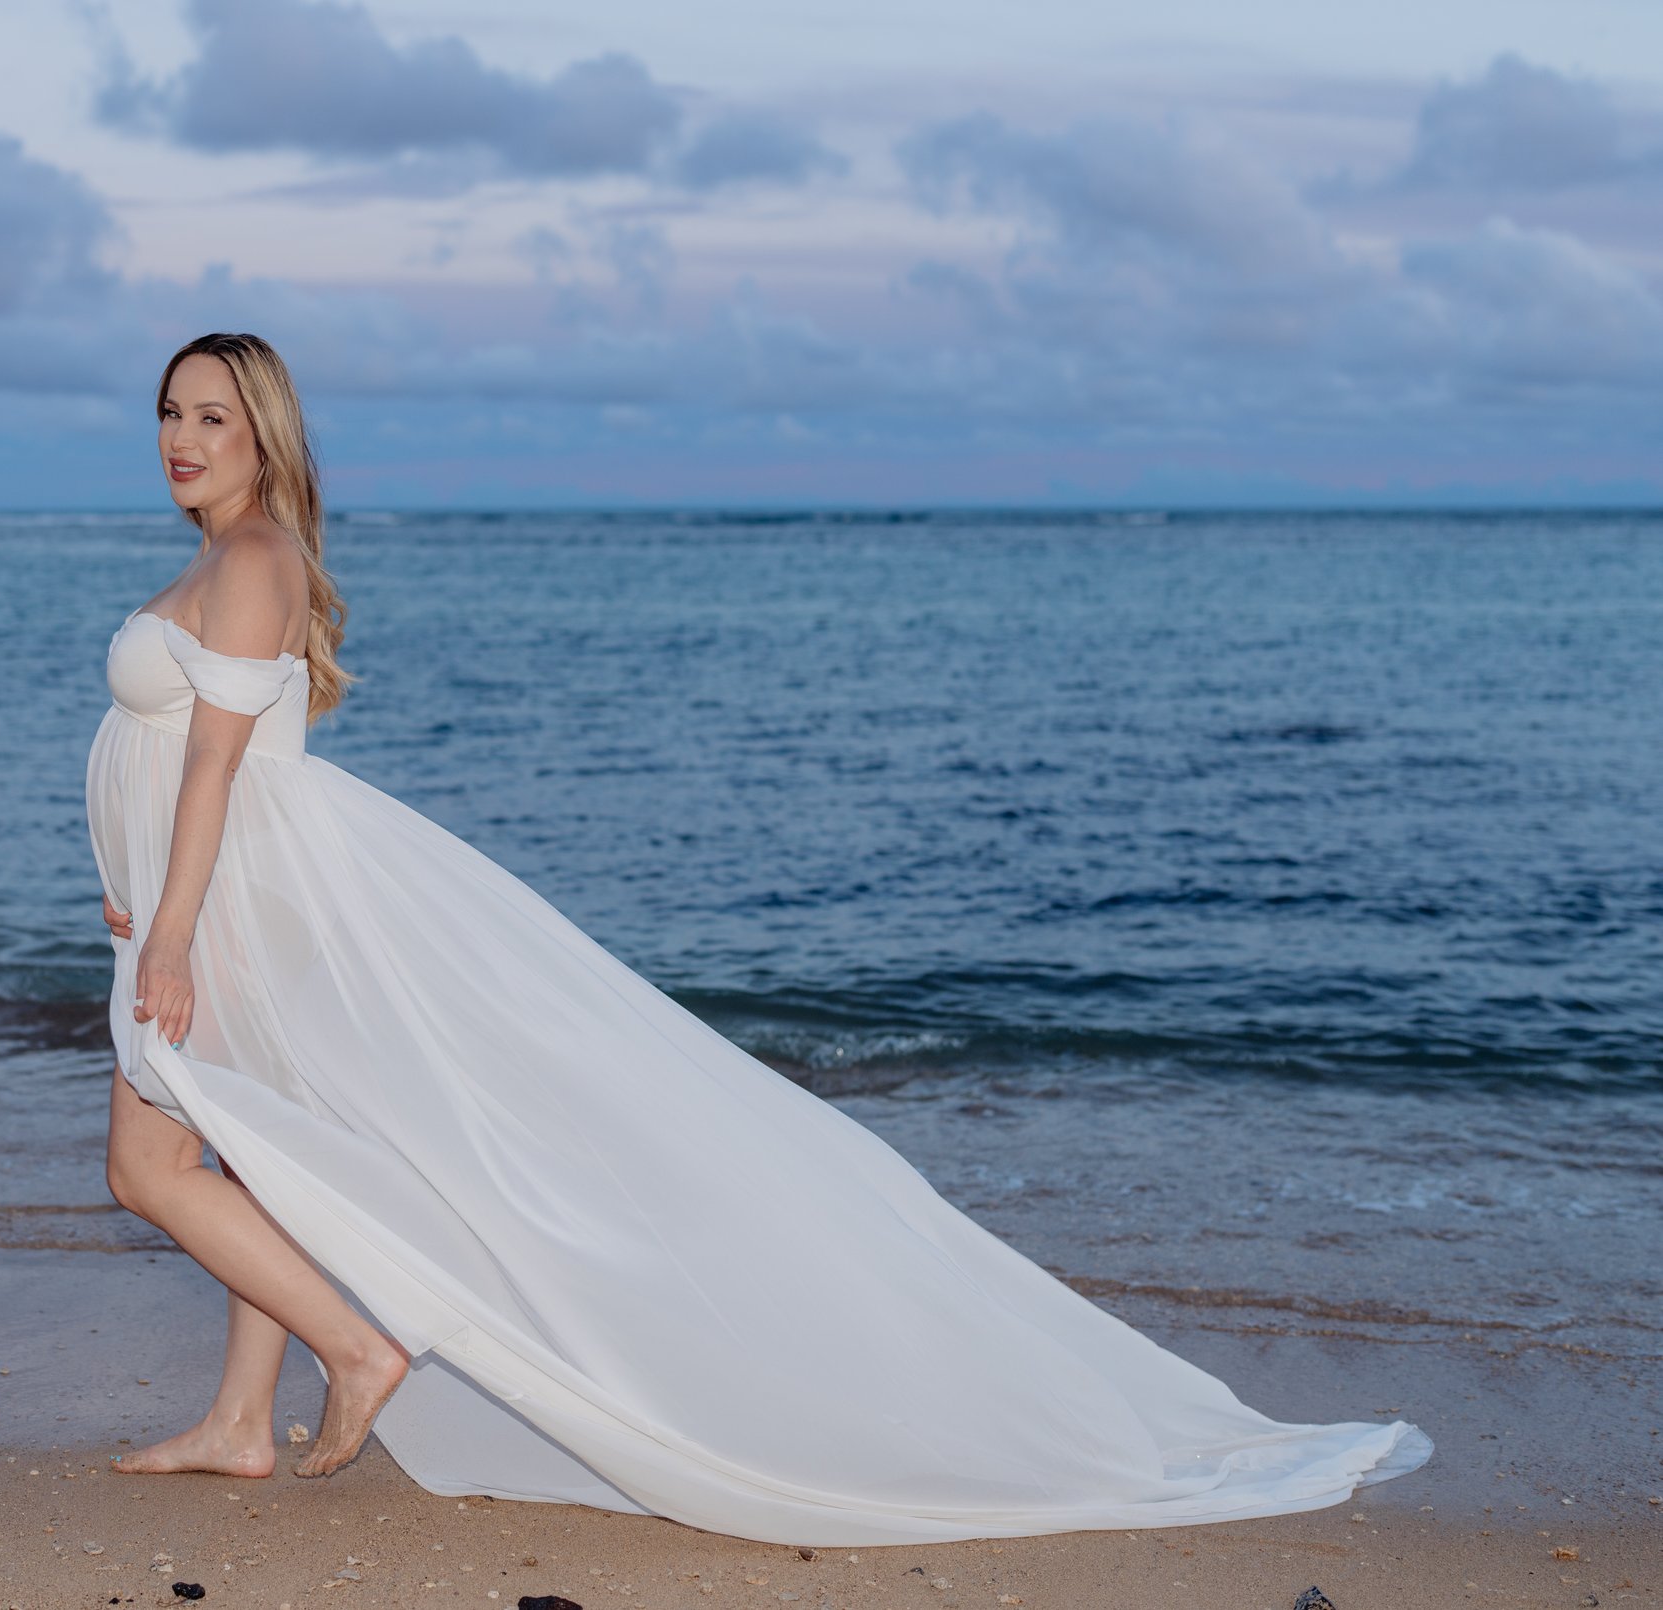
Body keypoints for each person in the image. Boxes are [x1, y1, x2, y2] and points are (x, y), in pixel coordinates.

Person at [82, 331, 1430, 1545]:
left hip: (236, 909)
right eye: (169, 414)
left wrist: (176, 932)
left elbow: (215, 767)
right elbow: (182, 764)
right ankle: (242, 1421)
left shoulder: (253, 558)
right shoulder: (222, 555)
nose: (182, 440)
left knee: (150, 1163)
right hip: (216, 901)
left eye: (212, 416)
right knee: (239, 1151)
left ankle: (353, 1346)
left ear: (265, 434)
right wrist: (140, 887)